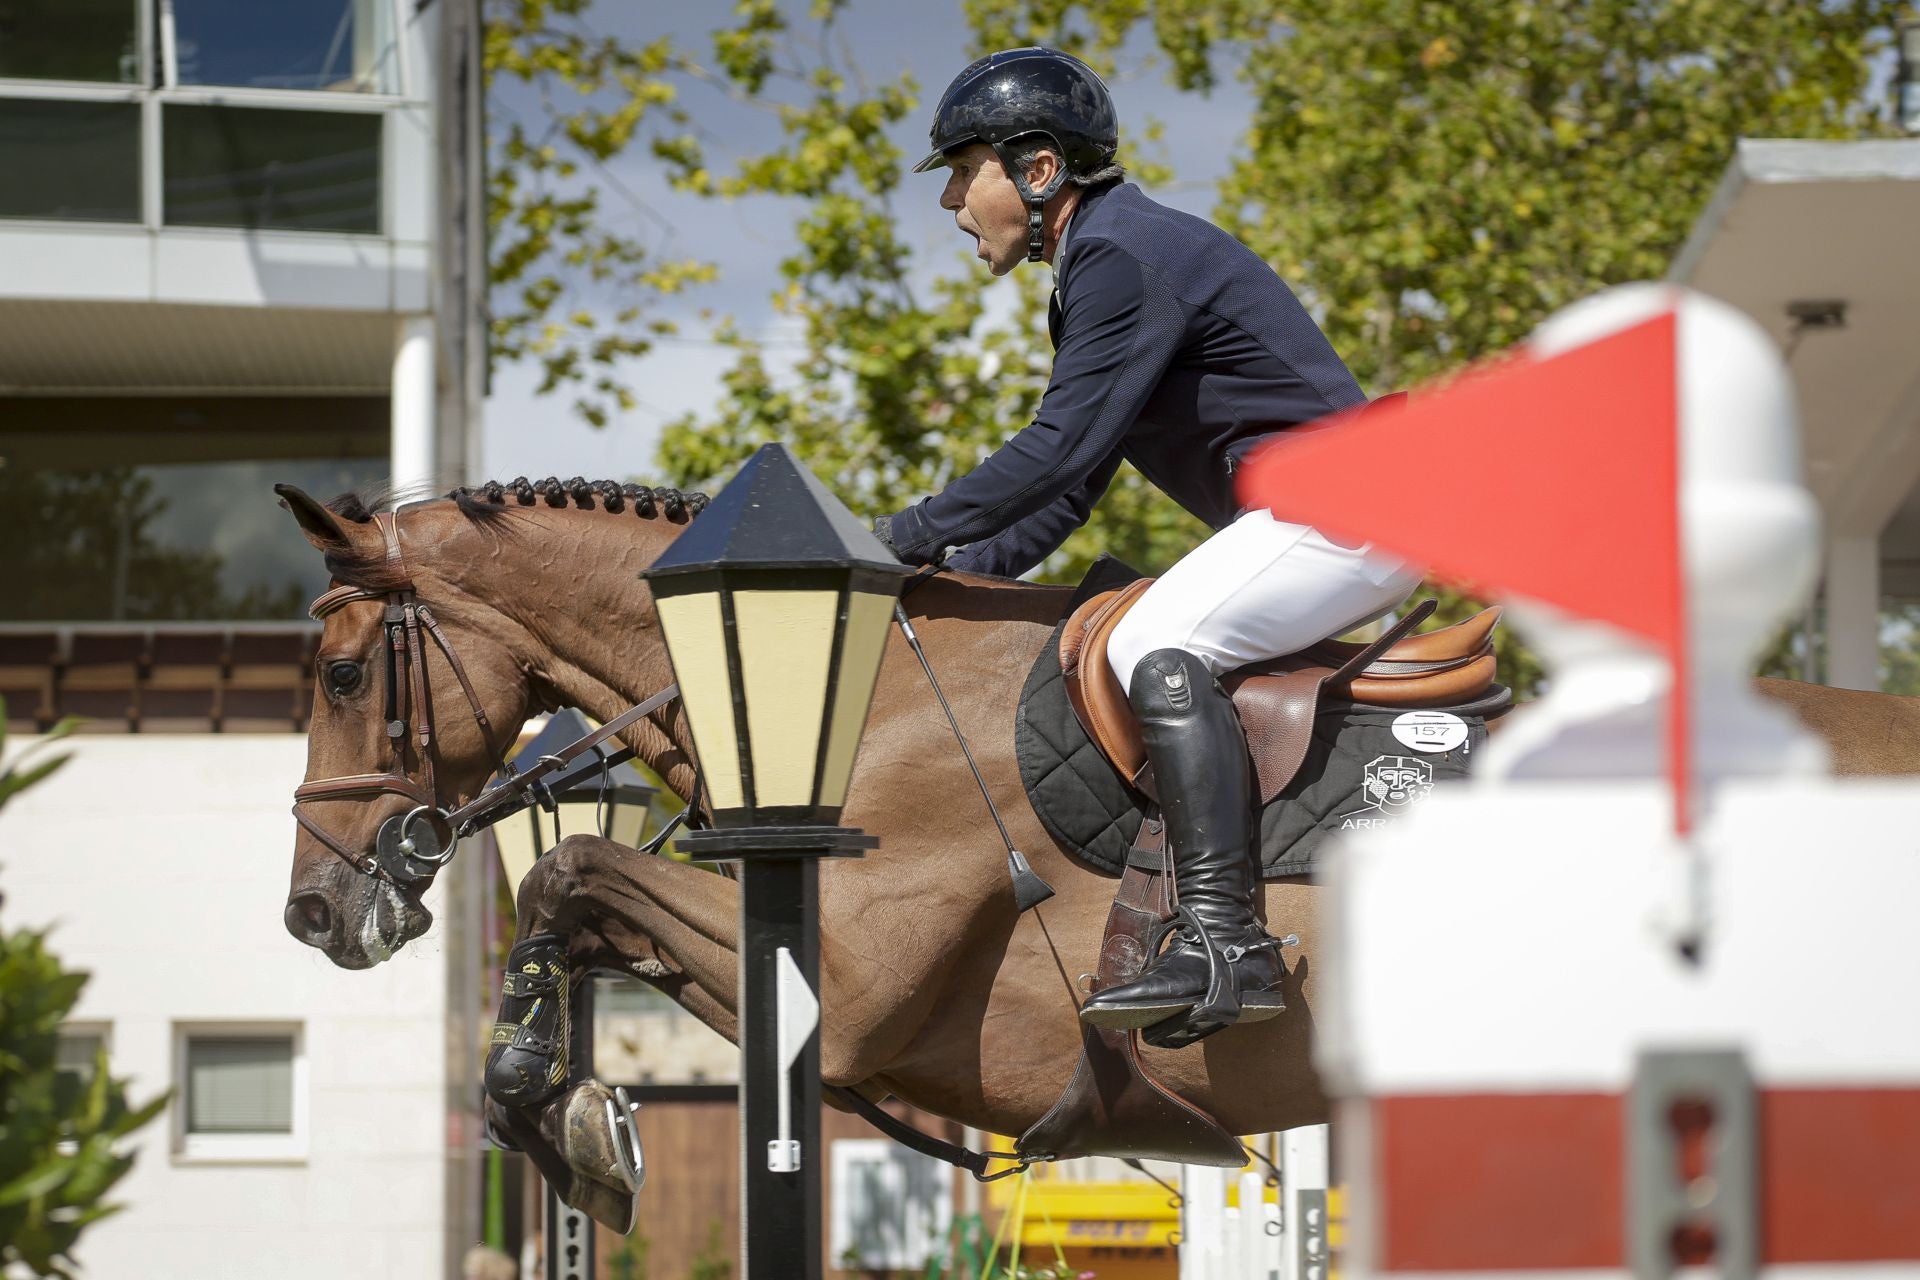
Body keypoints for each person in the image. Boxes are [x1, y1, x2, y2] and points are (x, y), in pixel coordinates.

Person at [873, 47, 1421, 1045]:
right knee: (1146, 634)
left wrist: (894, 535)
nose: (953, 200)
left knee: (1150, 646)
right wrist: (945, 578)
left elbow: (1055, 450)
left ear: (1037, 170)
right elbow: (1075, 485)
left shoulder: (1120, 259)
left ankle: (1224, 936)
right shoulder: (1109, 258)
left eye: (964, 169)